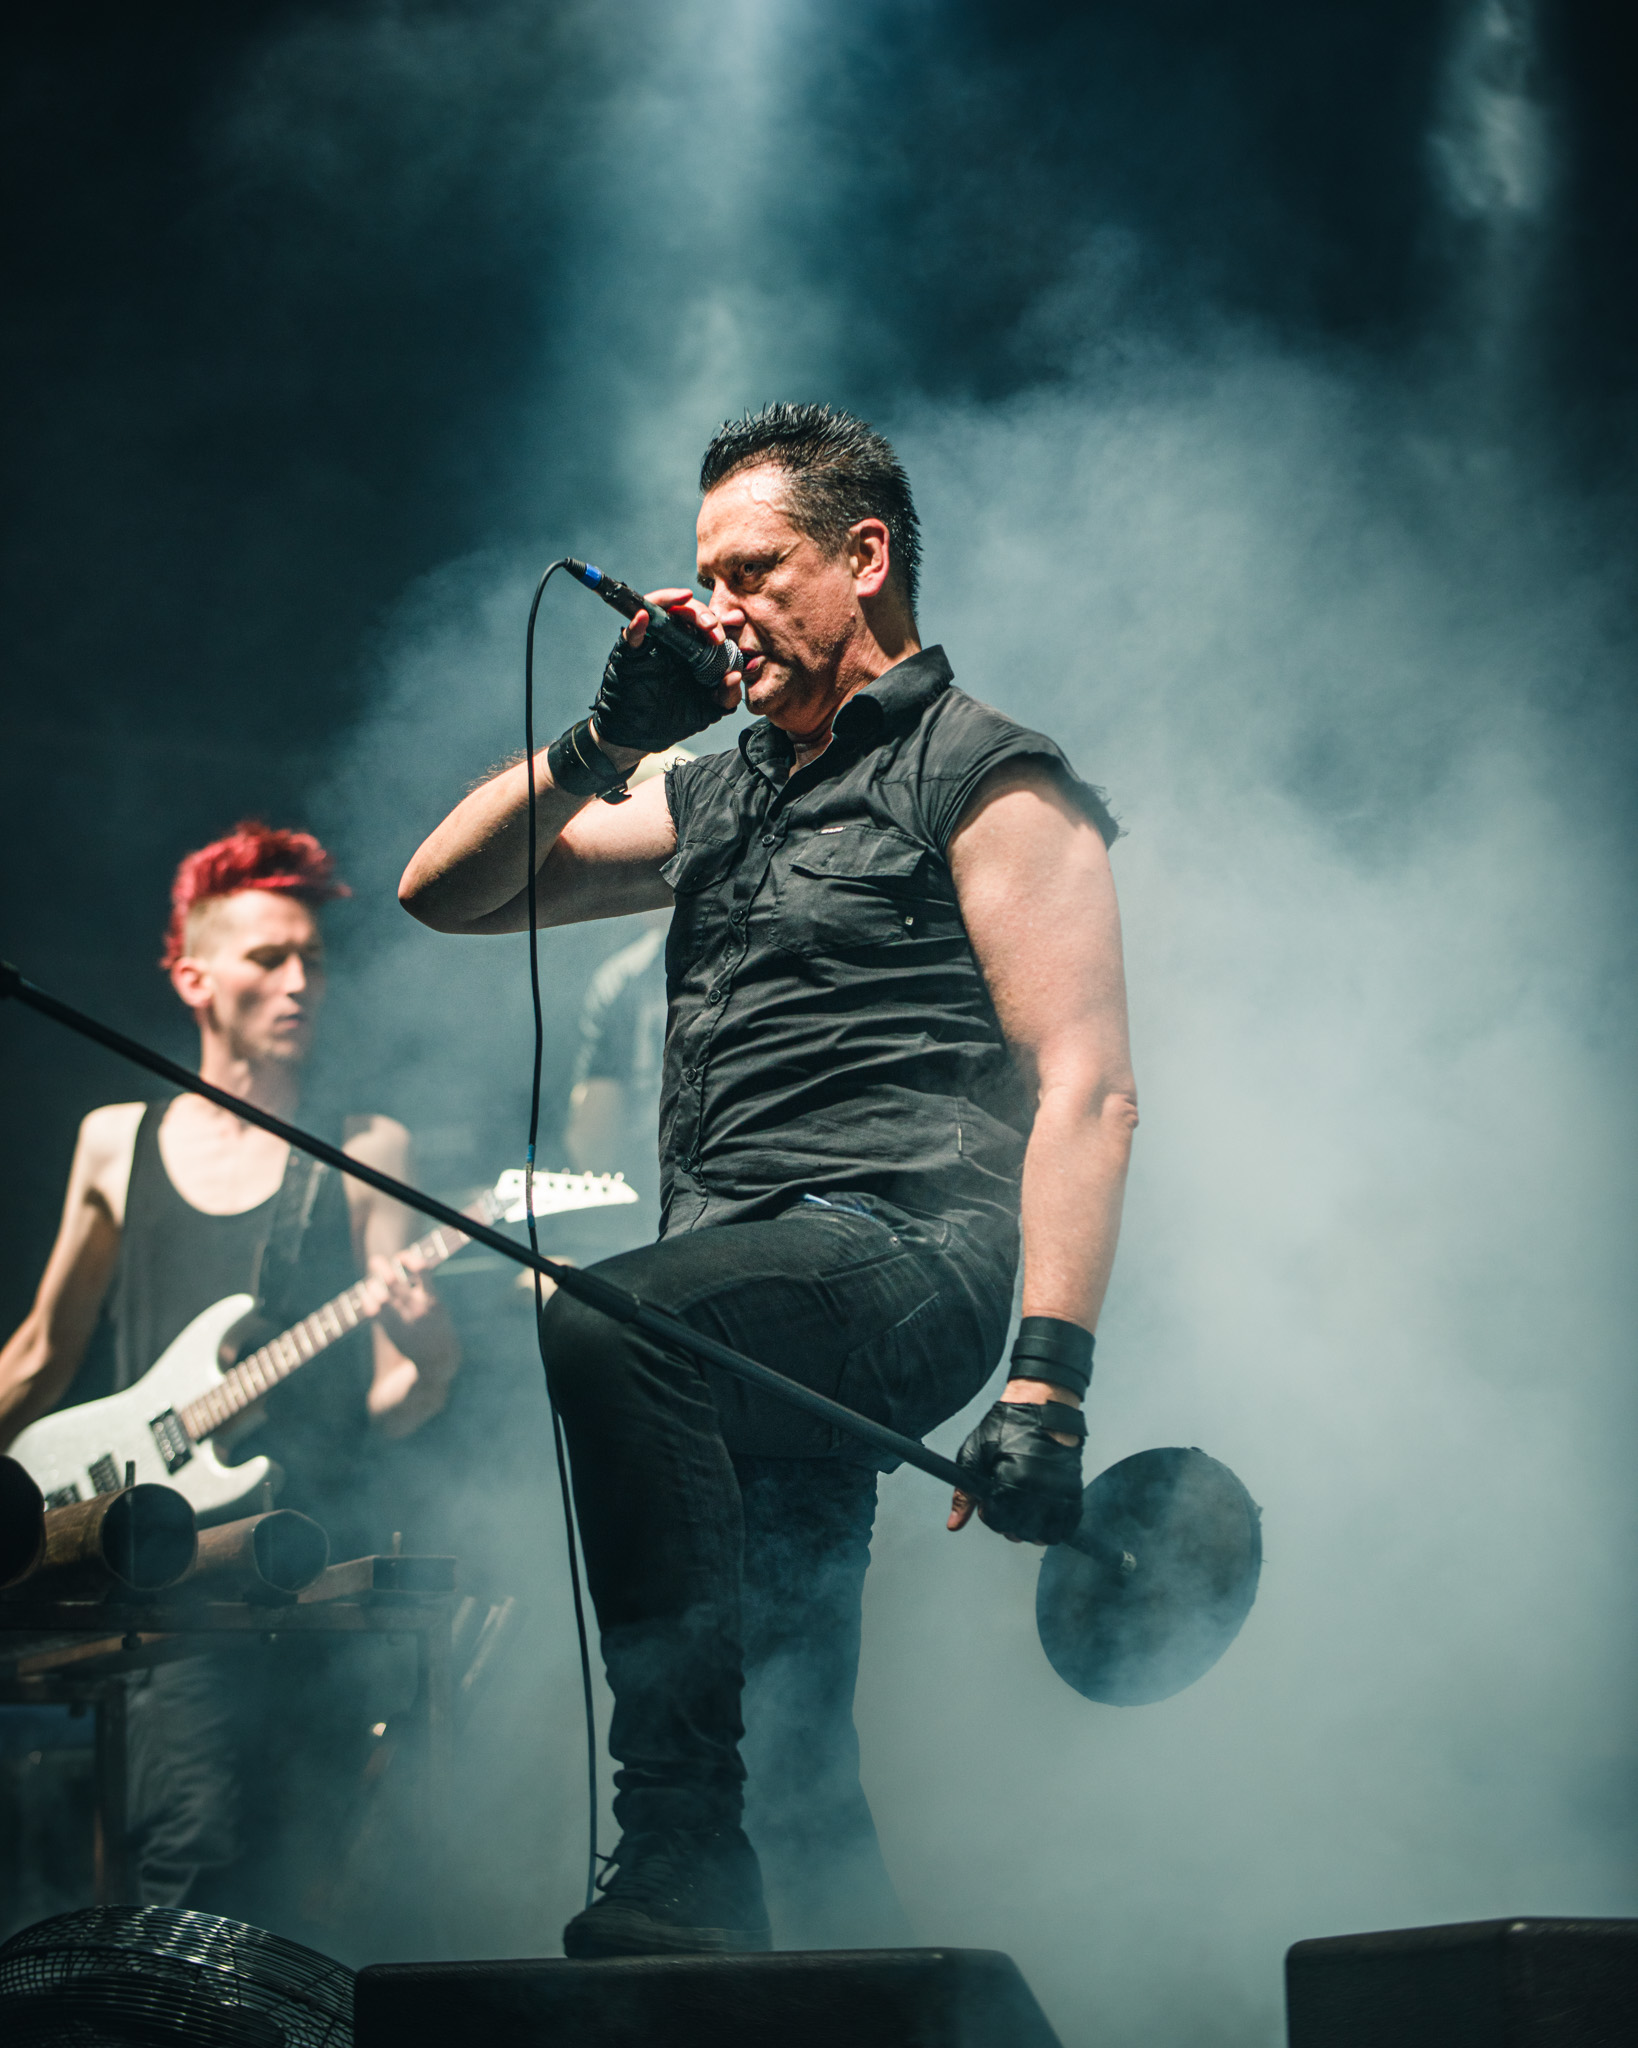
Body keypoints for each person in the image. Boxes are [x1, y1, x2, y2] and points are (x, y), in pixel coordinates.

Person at [400, 403, 1135, 1957]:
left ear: (862, 558)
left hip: (905, 1258)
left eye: (752, 571)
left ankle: (677, 1845)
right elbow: (443, 892)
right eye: (703, 577)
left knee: (614, 1323)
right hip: (742, 1301)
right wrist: (602, 743)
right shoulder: (720, 788)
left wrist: (1046, 1386)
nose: (715, 609)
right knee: (800, 1765)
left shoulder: (989, 775)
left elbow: (1087, 1086)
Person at [0, 821, 461, 1924]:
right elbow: (39, 1353)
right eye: (268, 956)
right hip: (151, 1569)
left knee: (288, 1872)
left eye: (314, 959)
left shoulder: (366, 1146)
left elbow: (393, 1399)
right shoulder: (116, 1138)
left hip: (296, 1574)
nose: (300, 981)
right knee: (185, 1852)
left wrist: (434, 1353)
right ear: (192, 975)